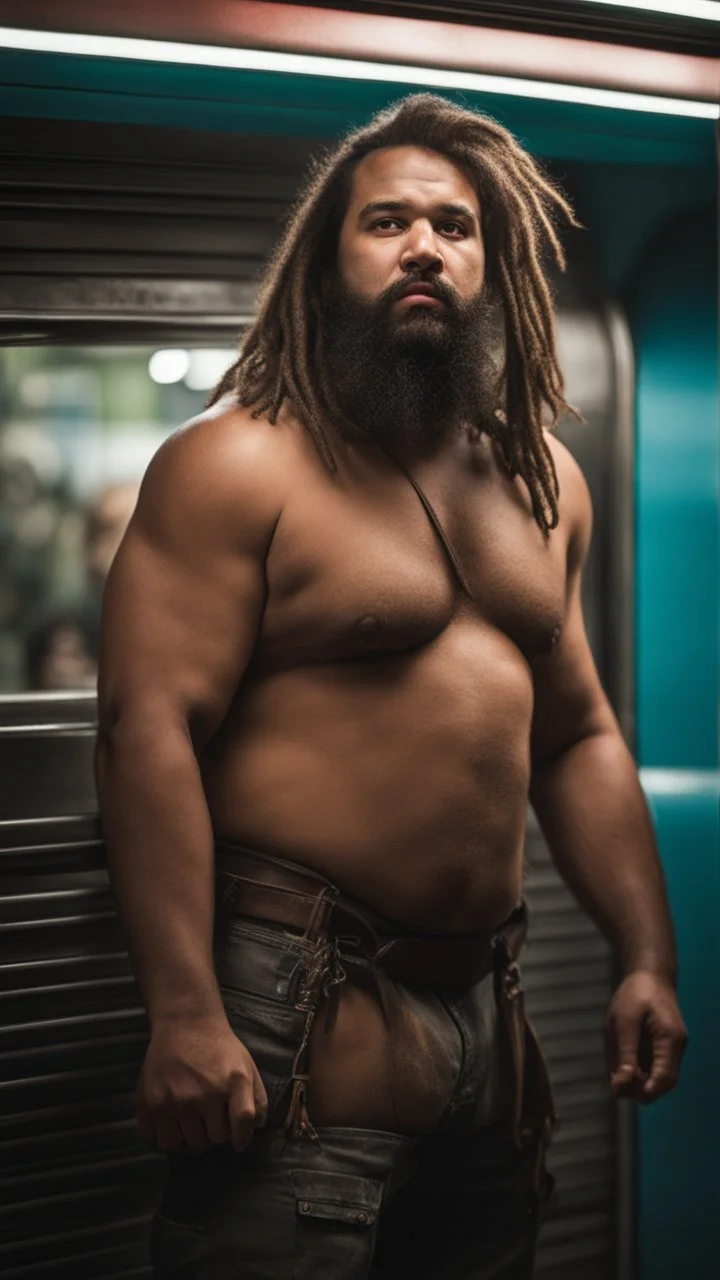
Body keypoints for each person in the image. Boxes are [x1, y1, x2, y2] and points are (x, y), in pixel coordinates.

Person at [94, 94, 688, 1279]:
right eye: (387, 223)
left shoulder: (542, 481)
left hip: (485, 1014)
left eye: (455, 226)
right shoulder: (235, 461)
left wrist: (645, 955)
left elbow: (576, 736)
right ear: (324, 267)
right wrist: (183, 1010)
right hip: (291, 1003)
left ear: (495, 267)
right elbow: (145, 727)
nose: (425, 245)